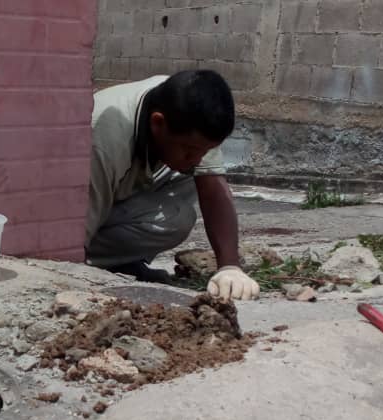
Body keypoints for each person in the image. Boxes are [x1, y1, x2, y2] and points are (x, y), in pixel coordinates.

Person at [86, 70, 260, 302]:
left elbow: (214, 189)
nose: (197, 158)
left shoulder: (189, 109)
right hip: (78, 215)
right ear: (158, 123)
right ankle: (100, 263)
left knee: (194, 175)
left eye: (204, 151)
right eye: (190, 150)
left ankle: (123, 262)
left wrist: (230, 267)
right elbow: (73, 230)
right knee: (175, 219)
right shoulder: (105, 141)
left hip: (116, 195)